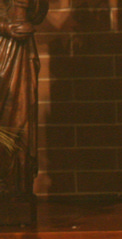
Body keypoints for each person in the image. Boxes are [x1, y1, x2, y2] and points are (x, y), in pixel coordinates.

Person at [0, 0, 48, 201]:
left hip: (20, 50)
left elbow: (37, 15)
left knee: (21, 116)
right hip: (4, 44)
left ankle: (17, 185)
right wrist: (5, 27)